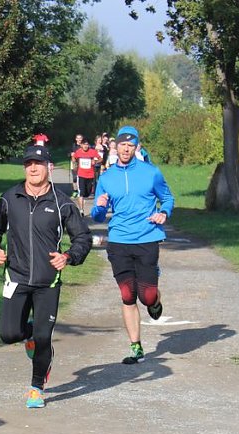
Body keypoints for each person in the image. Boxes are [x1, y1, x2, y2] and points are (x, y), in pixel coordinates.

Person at [0, 143, 93, 408]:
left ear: (49, 168)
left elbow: (83, 237)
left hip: (48, 281)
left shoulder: (62, 203)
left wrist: (68, 256)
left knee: (45, 338)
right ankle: (30, 334)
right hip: (17, 278)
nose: (33, 168)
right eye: (28, 164)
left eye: (38, 164)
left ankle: (36, 388)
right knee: (9, 334)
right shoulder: (10, 198)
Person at [90, 125, 174, 365]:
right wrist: (99, 207)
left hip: (147, 237)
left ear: (137, 147)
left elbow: (167, 197)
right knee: (128, 294)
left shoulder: (151, 172)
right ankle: (135, 346)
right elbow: (97, 216)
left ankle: (155, 299)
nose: (126, 149)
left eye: (131, 145)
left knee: (146, 297)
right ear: (116, 147)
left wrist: (163, 213)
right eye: (122, 144)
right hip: (119, 241)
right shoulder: (106, 178)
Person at [71, 137, 101, 211]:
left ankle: (83, 199)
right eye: (84, 144)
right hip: (81, 175)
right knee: (81, 193)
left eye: (87, 144)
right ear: (81, 145)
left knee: (87, 193)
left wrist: (95, 161)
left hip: (90, 175)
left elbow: (100, 158)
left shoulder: (92, 152)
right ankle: (81, 210)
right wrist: (75, 163)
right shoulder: (78, 152)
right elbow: (73, 157)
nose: (85, 146)